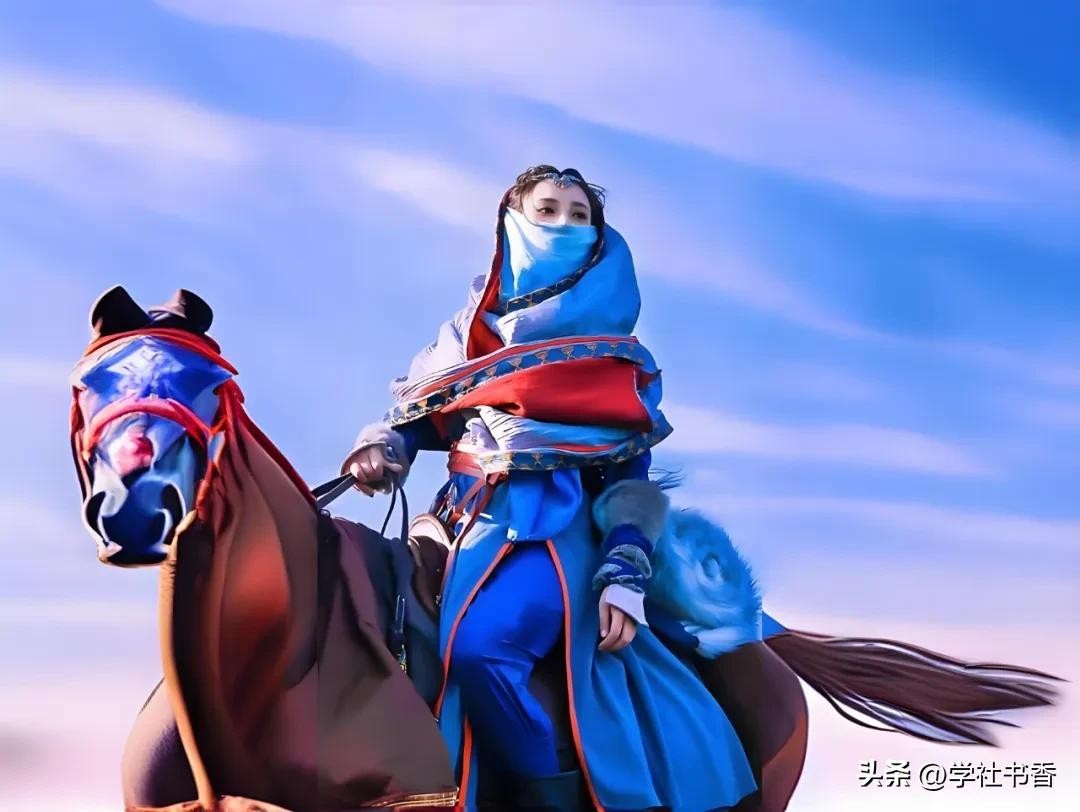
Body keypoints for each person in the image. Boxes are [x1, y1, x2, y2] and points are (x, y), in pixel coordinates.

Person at [342, 166, 755, 810]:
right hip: (457, 527)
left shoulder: (616, 358)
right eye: (547, 210)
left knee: (482, 651)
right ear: (513, 222)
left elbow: (631, 480)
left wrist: (625, 572)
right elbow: (420, 422)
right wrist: (382, 448)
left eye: (578, 215)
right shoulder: (464, 336)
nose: (563, 224)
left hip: (558, 539)